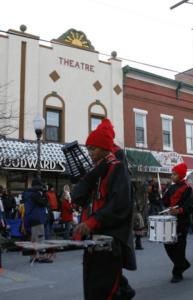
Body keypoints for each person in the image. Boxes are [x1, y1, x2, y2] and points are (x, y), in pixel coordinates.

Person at [71, 121, 136, 300]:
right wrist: (92, 175)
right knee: (91, 290)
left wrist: (91, 222)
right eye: (88, 149)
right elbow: (79, 197)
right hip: (93, 240)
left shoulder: (118, 168)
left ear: (105, 148)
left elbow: (119, 205)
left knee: (104, 292)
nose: (90, 154)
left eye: (93, 149)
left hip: (110, 240)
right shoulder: (97, 170)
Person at [162, 162, 193, 283]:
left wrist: (178, 210)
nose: (172, 176)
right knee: (168, 245)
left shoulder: (188, 188)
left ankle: (177, 273)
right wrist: (165, 196)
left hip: (182, 222)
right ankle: (183, 264)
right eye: (172, 174)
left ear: (180, 175)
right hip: (170, 221)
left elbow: (189, 207)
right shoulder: (172, 187)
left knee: (179, 247)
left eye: (174, 174)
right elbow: (165, 202)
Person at [24, 177, 52, 263]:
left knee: (34, 238)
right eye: (40, 185)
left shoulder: (28, 193)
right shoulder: (35, 194)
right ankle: (42, 257)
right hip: (37, 217)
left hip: (31, 217)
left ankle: (33, 256)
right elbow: (43, 203)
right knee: (40, 237)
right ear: (37, 186)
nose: (41, 187)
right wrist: (45, 194)